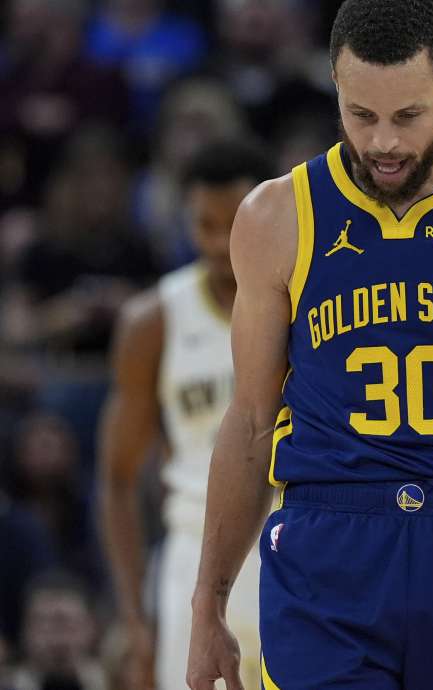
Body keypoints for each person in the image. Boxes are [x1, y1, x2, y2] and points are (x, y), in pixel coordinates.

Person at [185, 1, 433, 689]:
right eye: (360, 115)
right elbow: (251, 423)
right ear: (335, 89)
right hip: (329, 541)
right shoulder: (278, 215)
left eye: (407, 116)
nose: (383, 143)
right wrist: (208, 605)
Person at [97, 140, 272, 690]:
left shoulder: (311, 307)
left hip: (296, 549)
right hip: (194, 557)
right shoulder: (153, 322)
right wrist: (133, 617)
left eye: (235, 224)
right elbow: (118, 480)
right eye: (205, 225)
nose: (221, 244)